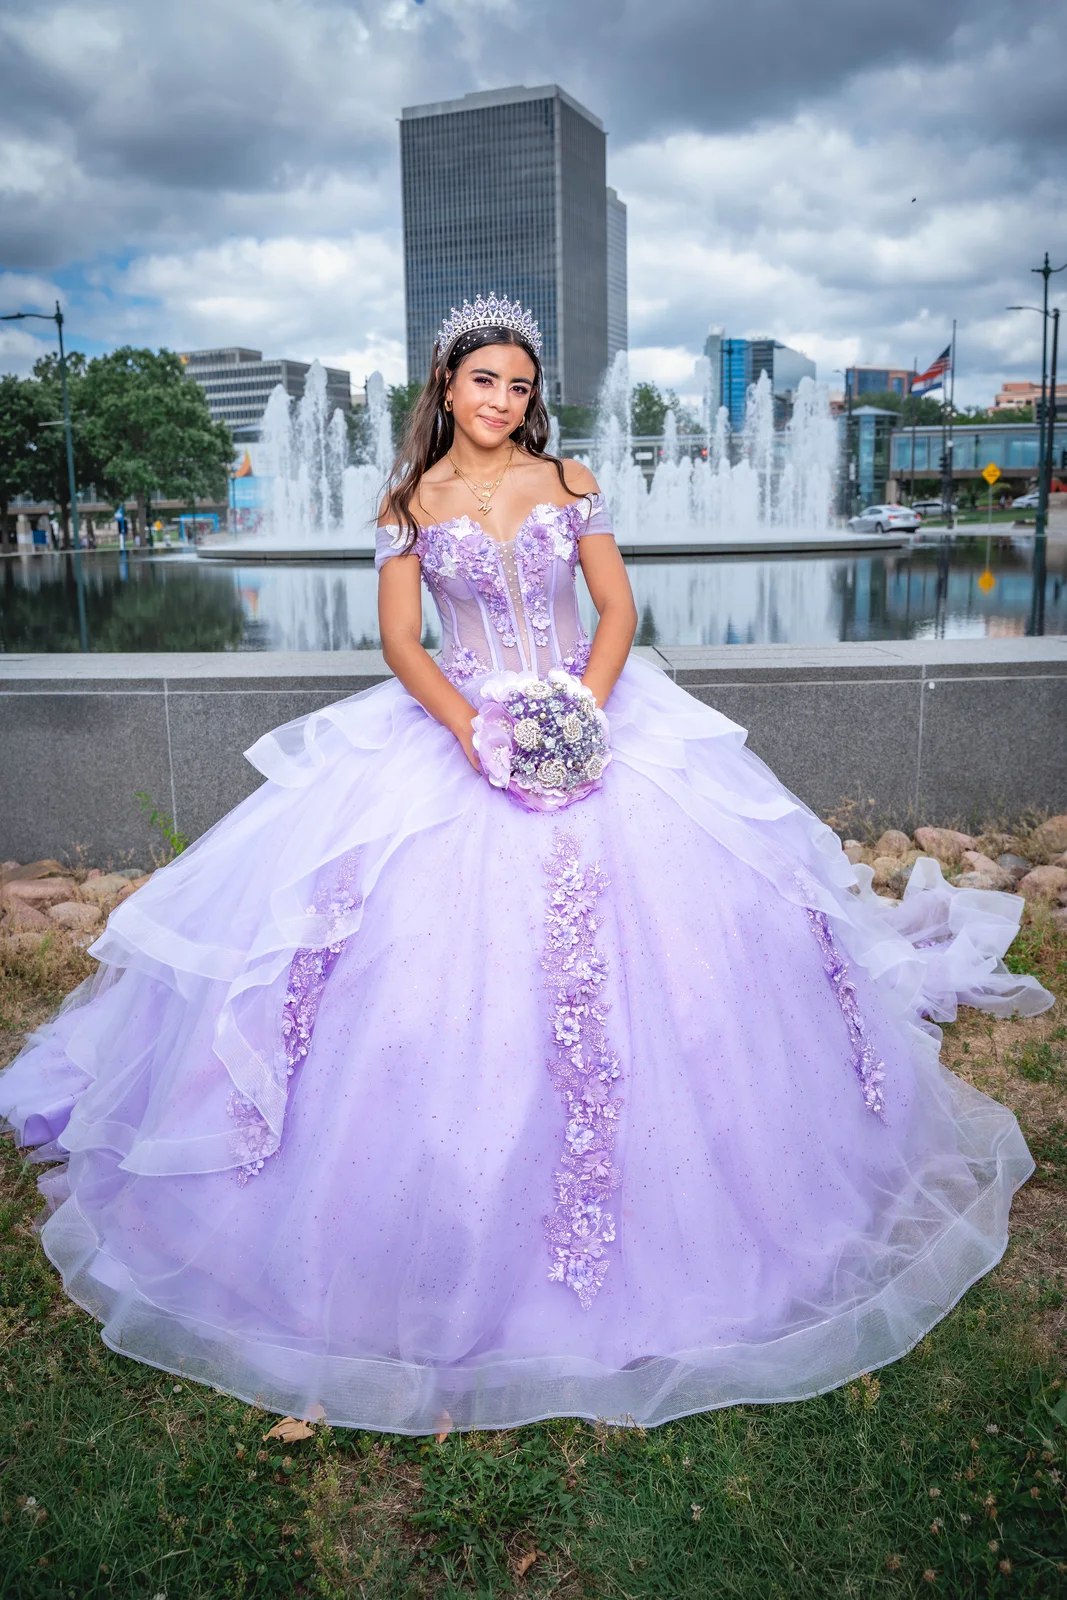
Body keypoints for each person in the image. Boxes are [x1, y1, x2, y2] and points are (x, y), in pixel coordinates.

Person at [0, 294, 1052, 1436]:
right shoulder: (407, 505)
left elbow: (615, 610)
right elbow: (403, 644)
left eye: (520, 384)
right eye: (484, 380)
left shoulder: (571, 485)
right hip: (455, 726)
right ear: (444, 386)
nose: (503, 401)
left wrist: (576, 717)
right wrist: (473, 729)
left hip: (591, 713)